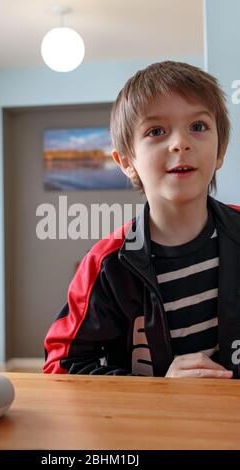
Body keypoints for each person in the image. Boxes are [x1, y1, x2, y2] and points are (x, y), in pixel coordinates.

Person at [43, 60, 240, 378]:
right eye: (156, 131)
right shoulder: (107, 264)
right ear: (127, 162)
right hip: (151, 425)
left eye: (199, 126)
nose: (180, 143)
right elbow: (61, 367)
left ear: (221, 150)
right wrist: (161, 390)